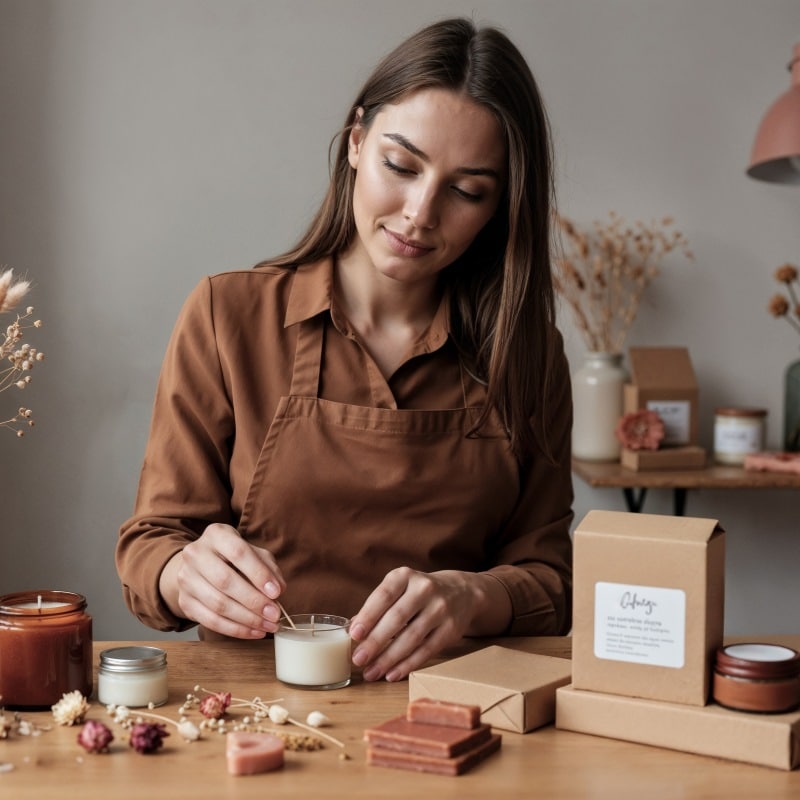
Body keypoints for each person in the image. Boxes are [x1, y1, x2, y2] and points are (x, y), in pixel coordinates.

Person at [117, 16, 574, 683]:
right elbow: (150, 543)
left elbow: (553, 583)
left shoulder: (526, 355)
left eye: (467, 190)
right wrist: (181, 575)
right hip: (250, 711)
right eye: (401, 165)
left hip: (452, 713)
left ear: (500, 207)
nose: (421, 212)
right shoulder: (226, 314)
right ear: (357, 142)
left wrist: (476, 597)